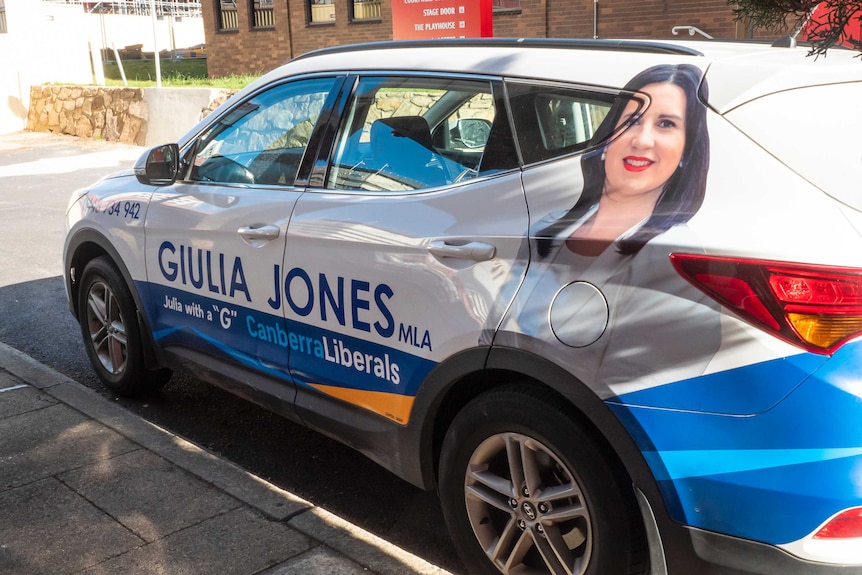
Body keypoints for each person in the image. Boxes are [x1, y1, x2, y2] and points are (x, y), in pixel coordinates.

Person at [493, 64, 720, 398]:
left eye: (666, 124)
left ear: (687, 151)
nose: (642, 139)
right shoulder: (548, 227)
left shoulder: (676, 257)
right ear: (605, 138)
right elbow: (492, 332)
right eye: (630, 121)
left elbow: (639, 395)